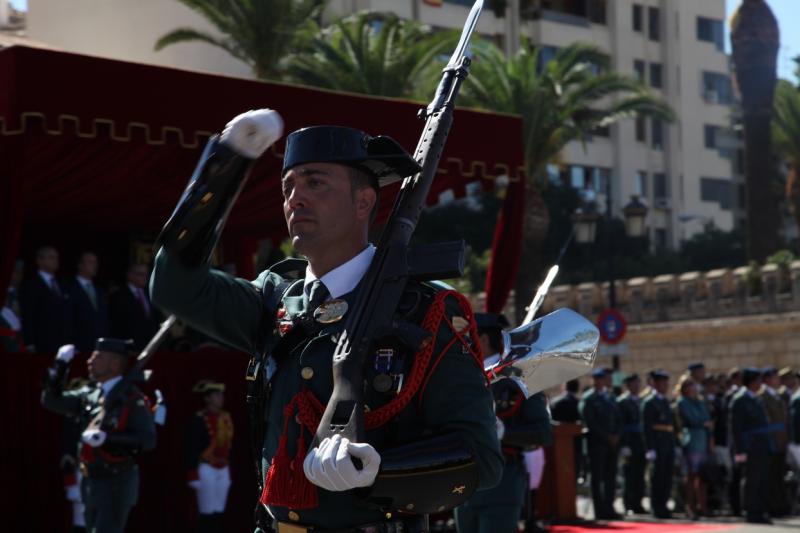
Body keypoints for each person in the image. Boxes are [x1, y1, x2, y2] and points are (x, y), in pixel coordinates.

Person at [150, 110, 503, 531]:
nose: (295, 198)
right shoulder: (276, 298)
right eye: (288, 186)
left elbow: (481, 457)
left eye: (315, 183)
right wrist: (225, 164)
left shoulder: (425, 310)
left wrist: (381, 471)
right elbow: (172, 286)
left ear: (363, 202)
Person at [41, 339, 157, 533]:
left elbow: (148, 440)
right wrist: (60, 367)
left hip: (116, 482)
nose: (89, 361)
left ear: (114, 363)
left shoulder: (131, 398)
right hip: (90, 479)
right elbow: (52, 401)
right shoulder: (91, 394)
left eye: (98, 357)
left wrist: (108, 439)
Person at [454, 313, 552, 533]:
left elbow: (542, 433)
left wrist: (503, 431)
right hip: (464, 483)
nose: (463, 344)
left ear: (484, 340)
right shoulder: (462, 379)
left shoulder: (518, 380)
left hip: (502, 484)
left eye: (468, 338)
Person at [187, 380, 234, 533]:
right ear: (207, 398)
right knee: (207, 511)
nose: (221, 398)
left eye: (221, 394)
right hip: (207, 468)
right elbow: (192, 447)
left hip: (223, 467)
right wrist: (192, 473)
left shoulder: (226, 417)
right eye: (216, 395)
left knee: (219, 510)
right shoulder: (199, 418)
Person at [730, 367, 771, 524]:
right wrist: (740, 450)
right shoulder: (739, 400)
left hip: (761, 445)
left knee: (761, 479)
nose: (760, 383)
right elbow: (736, 428)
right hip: (749, 446)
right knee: (751, 480)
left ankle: (761, 510)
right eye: (758, 380)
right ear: (751, 382)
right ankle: (750, 510)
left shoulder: (756, 398)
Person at [580, 367, 622, 520]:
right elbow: (590, 422)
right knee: (597, 478)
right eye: (596, 379)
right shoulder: (589, 398)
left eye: (602, 379)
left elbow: (618, 418)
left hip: (612, 443)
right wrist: (607, 437)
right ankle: (600, 510)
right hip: (597, 444)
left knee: (611, 477)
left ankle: (609, 507)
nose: (599, 382)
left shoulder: (610, 397)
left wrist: (617, 435)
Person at [20, 245, 73, 352]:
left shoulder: (62, 284)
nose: (55, 261)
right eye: (51, 257)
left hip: (61, 343)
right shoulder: (31, 285)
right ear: (39, 260)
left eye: (56, 257)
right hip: (41, 342)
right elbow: (29, 314)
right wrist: (29, 342)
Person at [675, 374, 711, 519]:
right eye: (688, 385)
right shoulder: (682, 402)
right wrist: (703, 423)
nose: (692, 388)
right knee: (690, 475)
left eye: (692, 385)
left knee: (703, 476)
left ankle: (703, 505)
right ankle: (690, 506)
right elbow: (692, 419)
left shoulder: (700, 402)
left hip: (702, 439)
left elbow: (706, 417)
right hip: (691, 440)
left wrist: (704, 424)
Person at [642, 369, 675, 519]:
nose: (665, 385)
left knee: (667, 476)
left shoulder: (665, 401)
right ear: (654, 384)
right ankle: (657, 507)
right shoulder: (649, 402)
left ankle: (664, 505)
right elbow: (647, 427)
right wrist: (650, 448)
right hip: (657, 443)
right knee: (657, 477)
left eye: (666, 382)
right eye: (662, 382)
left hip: (668, 443)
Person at [759, 366, 790, 517]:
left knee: (779, 474)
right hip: (772, 440)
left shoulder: (777, 395)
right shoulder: (763, 395)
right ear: (767, 379)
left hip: (781, 439)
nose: (778, 380)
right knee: (771, 476)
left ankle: (780, 505)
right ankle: (772, 506)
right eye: (775, 377)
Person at [66, 252, 110, 353]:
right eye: (90, 262)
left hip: (98, 346)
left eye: (95, 262)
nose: (95, 266)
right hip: (78, 345)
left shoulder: (100, 291)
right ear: (80, 265)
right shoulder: (68, 288)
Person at [110, 264, 160, 350]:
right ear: (130, 275)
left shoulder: (150, 294)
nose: (145, 277)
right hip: (130, 348)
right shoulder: (119, 296)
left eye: (146, 274)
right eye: (141, 274)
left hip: (150, 347)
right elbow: (117, 325)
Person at [617, 373, 646, 515]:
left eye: (638, 383)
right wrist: (623, 445)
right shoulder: (622, 402)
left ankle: (638, 503)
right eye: (633, 383)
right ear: (628, 385)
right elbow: (620, 424)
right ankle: (628, 504)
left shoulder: (641, 400)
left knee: (640, 474)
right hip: (629, 441)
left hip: (641, 442)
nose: (636, 386)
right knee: (629, 476)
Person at [551, 379, 582, 481]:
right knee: (573, 471)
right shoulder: (578, 403)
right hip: (574, 443)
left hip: (557, 443)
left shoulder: (555, 402)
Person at [724, 367, 743, 516]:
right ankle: (734, 506)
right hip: (734, 441)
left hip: (742, 440)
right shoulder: (732, 395)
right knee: (734, 474)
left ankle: (739, 505)